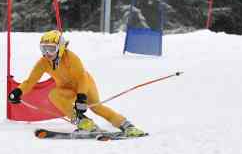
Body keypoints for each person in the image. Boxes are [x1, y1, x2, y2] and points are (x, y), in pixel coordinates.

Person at [8, 30, 146, 136]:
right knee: (54, 95)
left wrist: (81, 97)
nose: (47, 53)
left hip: (85, 85)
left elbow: (81, 78)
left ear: (61, 48)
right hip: (66, 89)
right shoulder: (43, 62)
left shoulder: (71, 58)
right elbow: (30, 81)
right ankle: (84, 123)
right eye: (44, 49)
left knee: (96, 107)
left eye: (51, 49)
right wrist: (18, 91)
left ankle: (127, 126)